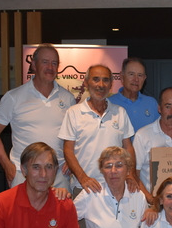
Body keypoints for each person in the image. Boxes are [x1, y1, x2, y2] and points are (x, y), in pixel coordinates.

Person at [0, 44, 75, 190]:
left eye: (54, 63)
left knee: (59, 207)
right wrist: (6, 164)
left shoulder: (68, 98)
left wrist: (71, 160)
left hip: (58, 175)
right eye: (45, 62)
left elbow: (75, 135)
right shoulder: (14, 97)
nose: (50, 67)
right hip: (23, 174)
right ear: (33, 65)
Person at [59, 64, 137, 198]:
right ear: (86, 82)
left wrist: (130, 175)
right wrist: (83, 178)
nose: (101, 85)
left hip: (115, 187)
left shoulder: (120, 112)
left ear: (111, 84)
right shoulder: (74, 113)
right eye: (96, 79)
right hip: (85, 188)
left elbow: (128, 148)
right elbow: (68, 150)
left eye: (105, 80)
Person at [108, 57, 160, 133]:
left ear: (144, 78)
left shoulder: (152, 103)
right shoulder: (109, 103)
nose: (136, 79)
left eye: (140, 75)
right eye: (131, 74)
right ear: (121, 76)